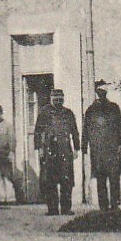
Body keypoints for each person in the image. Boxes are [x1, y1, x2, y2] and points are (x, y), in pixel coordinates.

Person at [82, 80, 121, 211]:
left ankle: (114, 204)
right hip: (97, 149)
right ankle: (103, 206)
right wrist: (84, 147)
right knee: (100, 177)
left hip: (112, 148)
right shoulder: (91, 110)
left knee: (114, 177)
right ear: (96, 92)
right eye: (99, 91)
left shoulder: (114, 107)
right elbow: (86, 129)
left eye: (103, 91)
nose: (101, 93)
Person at [35, 88, 81, 216]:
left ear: (63, 99)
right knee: (50, 180)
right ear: (51, 98)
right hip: (49, 150)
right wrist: (39, 148)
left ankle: (66, 208)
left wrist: (76, 148)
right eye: (55, 98)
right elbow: (38, 131)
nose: (58, 101)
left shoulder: (68, 113)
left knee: (66, 180)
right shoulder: (44, 112)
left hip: (65, 149)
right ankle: (52, 209)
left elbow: (75, 131)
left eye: (60, 99)